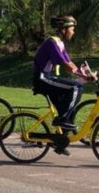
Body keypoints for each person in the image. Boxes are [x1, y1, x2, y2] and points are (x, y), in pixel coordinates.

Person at [32, 15, 85, 152]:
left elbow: (69, 61)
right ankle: (62, 119)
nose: (73, 32)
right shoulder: (52, 42)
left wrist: (83, 74)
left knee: (68, 112)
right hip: (42, 78)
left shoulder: (60, 43)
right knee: (75, 87)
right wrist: (80, 76)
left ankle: (59, 143)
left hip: (47, 77)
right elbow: (63, 63)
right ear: (63, 29)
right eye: (72, 29)